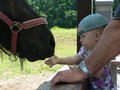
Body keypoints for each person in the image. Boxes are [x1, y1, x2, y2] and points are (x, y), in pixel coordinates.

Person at [48, 1, 120, 88]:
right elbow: (75, 58)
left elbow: (96, 73)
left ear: (96, 35)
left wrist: (79, 69)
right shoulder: (85, 49)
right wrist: (59, 60)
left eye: (83, 36)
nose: (80, 40)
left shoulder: (102, 53)